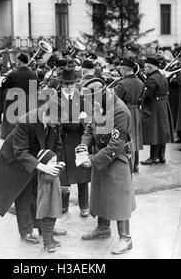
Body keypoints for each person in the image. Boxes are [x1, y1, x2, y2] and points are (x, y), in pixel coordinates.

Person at [0, 97, 66, 244]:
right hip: (16, 160)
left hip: (37, 157)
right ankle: (26, 231)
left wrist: (53, 160)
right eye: (56, 121)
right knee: (24, 195)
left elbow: (57, 144)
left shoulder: (56, 120)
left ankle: (44, 227)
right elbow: (20, 151)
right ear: (46, 114)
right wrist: (42, 166)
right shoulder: (25, 121)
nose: (57, 125)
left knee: (40, 193)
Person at [78, 78, 136, 255]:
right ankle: (103, 228)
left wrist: (94, 160)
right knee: (101, 192)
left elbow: (116, 145)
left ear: (102, 94)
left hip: (117, 156)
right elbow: (90, 127)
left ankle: (125, 238)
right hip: (100, 153)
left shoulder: (120, 111)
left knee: (120, 196)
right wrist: (83, 146)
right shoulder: (99, 104)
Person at [58, 69, 91, 216]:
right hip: (63, 141)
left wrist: (82, 120)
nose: (69, 87)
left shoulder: (82, 99)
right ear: (62, 84)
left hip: (79, 140)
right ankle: (63, 205)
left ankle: (84, 206)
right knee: (63, 174)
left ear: (76, 84)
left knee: (82, 174)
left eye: (72, 84)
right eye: (66, 84)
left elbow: (88, 120)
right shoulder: (56, 99)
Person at [140, 57, 174, 165]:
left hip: (154, 106)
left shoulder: (152, 78)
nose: (144, 69)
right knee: (161, 132)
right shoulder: (161, 76)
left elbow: (148, 95)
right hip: (163, 105)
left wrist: (141, 102)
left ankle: (153, 157)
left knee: (154, 132)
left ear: (150, 67)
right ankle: (161, 156)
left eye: (145, 67)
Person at [115, 59, 145, 173]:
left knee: (126, 136)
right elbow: (142, 99)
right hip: (136, 111)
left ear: (125, 69)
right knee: (135, 137)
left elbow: (117, 101)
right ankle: (136, 164)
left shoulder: (122, 84)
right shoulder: (141, 83)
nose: (120, 71)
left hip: (124, 112)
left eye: (121, 69)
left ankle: (130, 165)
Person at [0, 53, 38, 139]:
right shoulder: (33, 74)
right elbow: (35, 88)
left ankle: (11, 138)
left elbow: (4, 85)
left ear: (19, 61)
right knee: (26, 121)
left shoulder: (13, 74)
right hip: (28, 101)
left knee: (12, 123)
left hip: (15, 100)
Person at [36, 150, 65, 253]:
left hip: (52, 201)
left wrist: (63, 189)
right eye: (52, 161)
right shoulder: (43, 173)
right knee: (47, 223)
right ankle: (47, 243)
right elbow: (50, 178)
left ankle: (51, 239)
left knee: (52, 222)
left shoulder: (52, 172)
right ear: (44, 164)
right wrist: (60, 168)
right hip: (47, 203)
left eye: (55, 160)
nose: (55, 163)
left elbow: (55, 182)